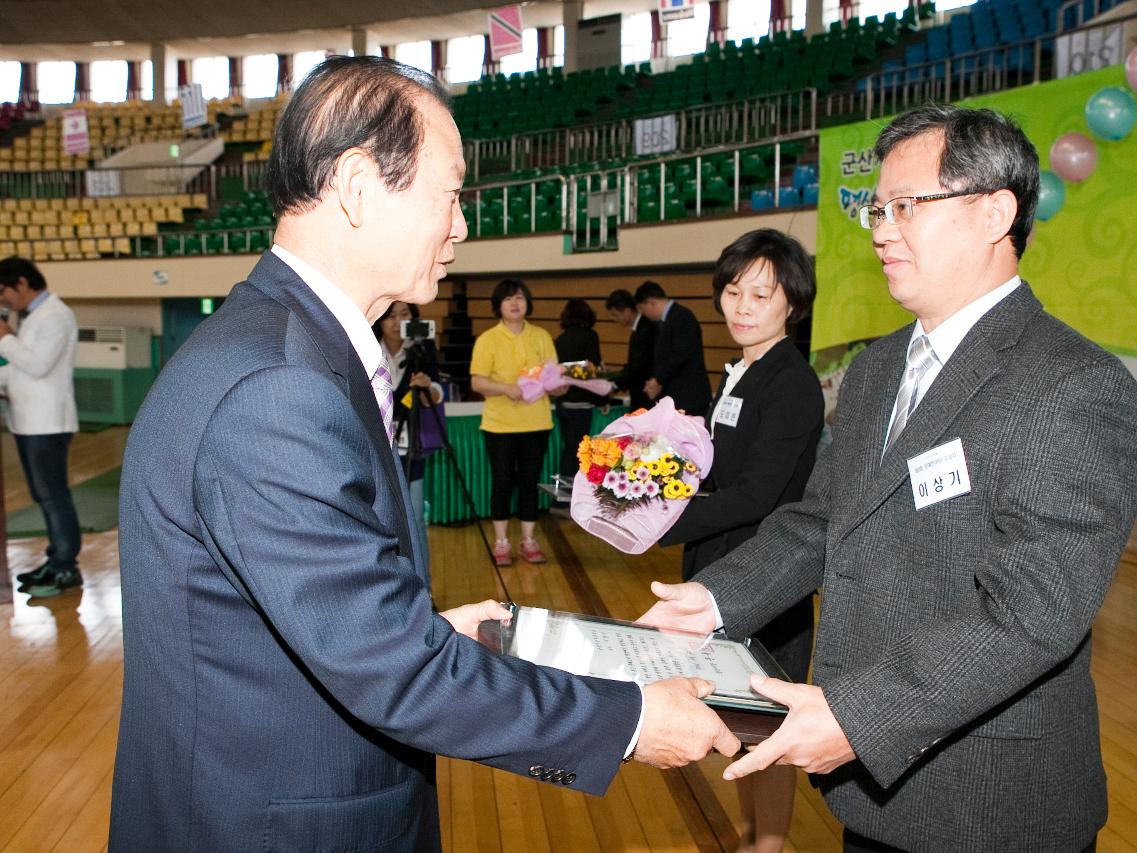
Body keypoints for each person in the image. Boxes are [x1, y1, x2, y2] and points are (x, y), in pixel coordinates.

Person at [110, 56, 737, 853]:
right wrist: (632, 717)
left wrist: (424, 630)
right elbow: (394, 672)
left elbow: (311, 621)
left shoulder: (285, 347)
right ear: (358, 184)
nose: (463, 226)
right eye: (451, 195)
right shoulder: (276, 385)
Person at [639, 104, 1137, 852]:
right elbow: (822, 519)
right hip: (875, 795)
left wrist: (857, 715)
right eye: (876, 207)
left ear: (994, 212)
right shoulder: (879, 366)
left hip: (989, 802)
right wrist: (716, 598)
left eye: (906, 205)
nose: (880, 228)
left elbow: (1035, 611)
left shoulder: (1072, 384)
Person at [658, 228, 823, 853]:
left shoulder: (791, 383)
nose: (744, 307)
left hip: (765, 583)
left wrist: (663, 520)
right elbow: (716, 474)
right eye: (734, 292)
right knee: (740, 727)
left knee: (771, 738)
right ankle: (753, 838)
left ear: (792, 305)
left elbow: (756, 497)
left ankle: (767, 847)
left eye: (761, 294)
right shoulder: (742, 372)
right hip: (722, 575)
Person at [0, 256, 82, 598]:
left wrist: (4, 337)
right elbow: (17, 370)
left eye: (3, 290)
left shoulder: (56, 315)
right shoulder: (32, 315)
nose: (3, 299)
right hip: (27, 421)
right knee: (43, 495)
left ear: (22, 283)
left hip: (47, 424)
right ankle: (56, 559)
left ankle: (65, 566)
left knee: (53, 496)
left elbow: (38, 365)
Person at [470, 278, 560, 566]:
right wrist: (506, 388)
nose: (515, 303)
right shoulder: (487, 339)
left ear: (527, 303)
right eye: (509, 298)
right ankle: (501, 542)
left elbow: (554, 378)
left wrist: (560, 384)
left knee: (529, 483)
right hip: (500, 426)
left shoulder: (542, 336)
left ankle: (529, 540)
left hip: (537, 423)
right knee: (502, 483)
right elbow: (477, 381)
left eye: (520, 297)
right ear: (498, 305)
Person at [373, 300, 444, 529]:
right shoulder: (367, 348)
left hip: (410, 440)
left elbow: (436, 393)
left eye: (404, 314)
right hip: (376, 441)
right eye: (391, 316)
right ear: (380, 320)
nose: (398, 322)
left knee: (414, 518)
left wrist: (427, 387)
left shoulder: (423, 350)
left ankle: (420, 565)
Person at [552, 298, 606, 512]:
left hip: (563, 402)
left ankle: (561, 497)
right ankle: (568, 501)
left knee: (568, 449)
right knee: (577, 453)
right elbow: (594, 372)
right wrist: (603, 399)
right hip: (582, 403)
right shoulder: (590, 336)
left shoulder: (559, 339)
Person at [635, 280, 712, 416]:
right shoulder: (669, 319)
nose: (643, 314)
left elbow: (681, 354)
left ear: (651, 302)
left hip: (689, 397)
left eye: (642, 309)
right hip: (678, 396)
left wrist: (658, 379)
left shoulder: (682, 316)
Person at [604, 287, 659, 409]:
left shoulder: (646, 328)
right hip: (640, 392)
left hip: (646, 394)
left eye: (615, 315)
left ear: (627, 310)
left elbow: (639, 364)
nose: (615, 320)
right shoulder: (639, 328)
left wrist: (615, 384)